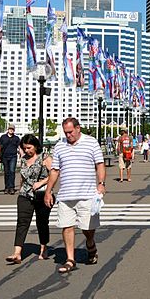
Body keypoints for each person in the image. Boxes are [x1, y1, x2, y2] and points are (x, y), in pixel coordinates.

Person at [44, 117, 106, 274]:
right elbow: (55, 170)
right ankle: (70, 259)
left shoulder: (91, 142)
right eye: (65, 133)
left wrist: (101, 183)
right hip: (65, 195)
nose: (68, 135)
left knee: (87, 228)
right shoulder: (60, 146)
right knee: (67, 226)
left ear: (78, 128)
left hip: (87, 194)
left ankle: (90, 244)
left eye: (70, 132)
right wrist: (48, 191)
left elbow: (99, 164)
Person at [6, 134, 53, 265]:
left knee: (42, 222)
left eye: (29, 148)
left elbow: (54, 175)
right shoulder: (23, 159)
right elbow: (22, 177)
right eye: (24, 148)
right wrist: (20, 189)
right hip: (25, 194)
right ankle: (17, 253)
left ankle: (44, 248)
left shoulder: (45, 158)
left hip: (42, 194)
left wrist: (41, 183)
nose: (27, 150)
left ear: (36, 146)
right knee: (22, 222)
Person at [0, 123, 22, 195]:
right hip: (4, 156)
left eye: (12, 129)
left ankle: (11, 187)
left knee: (12, 171)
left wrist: (21, 155)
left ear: (14, 130)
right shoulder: (3, 137)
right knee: (6, 172)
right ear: (8, 130)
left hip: (13, 156)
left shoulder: (16, 138)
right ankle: (6, 187)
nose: (11, 130)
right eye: (10, 129)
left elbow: (19, 147)